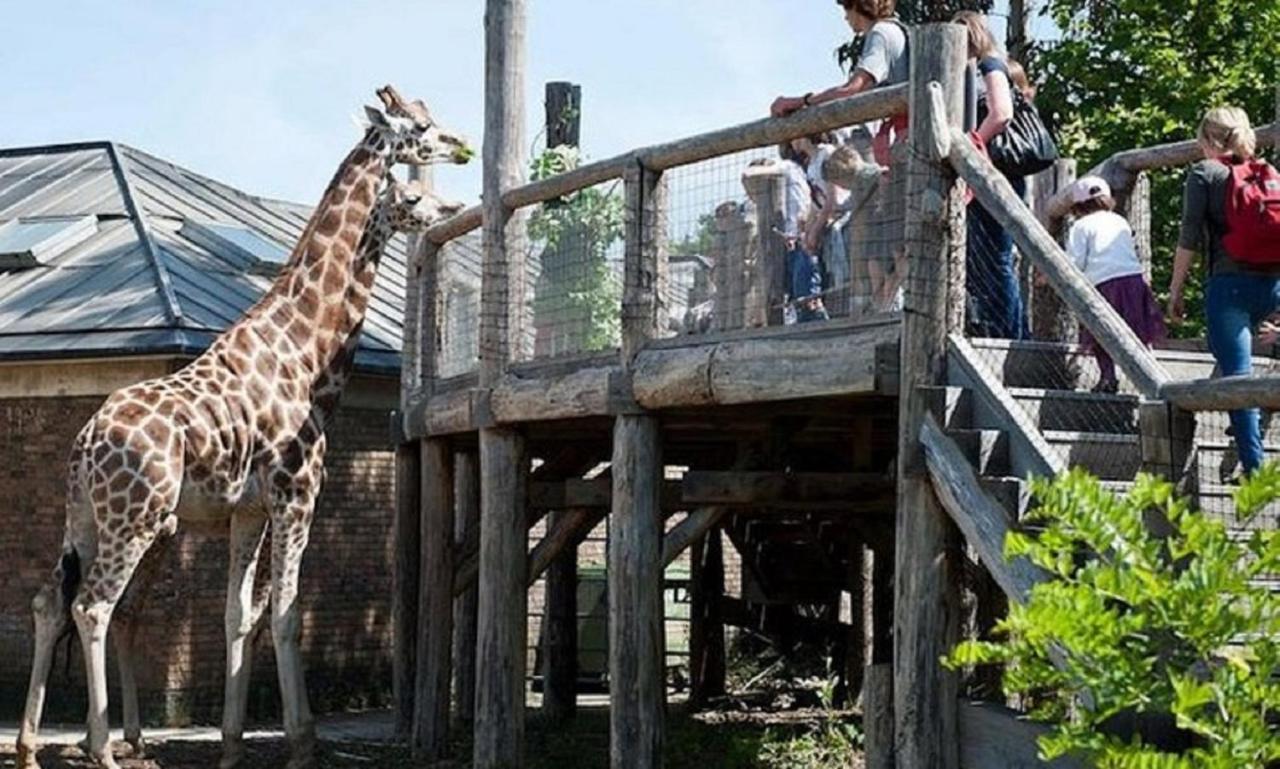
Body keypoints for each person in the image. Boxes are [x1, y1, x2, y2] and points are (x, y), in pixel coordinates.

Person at [1169, 106, 1280, 476]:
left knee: (1238, 380)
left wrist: (1175, 290)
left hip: (1230, 287)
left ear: (1206, 139)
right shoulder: (1269, 174)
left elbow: (1189, 238)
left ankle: (1255, 473)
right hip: (1274, 285)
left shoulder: (1205, 173)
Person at [954, 10, 1026, 340]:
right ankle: (1004, 331)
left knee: (996, 258)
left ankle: (1011, 336)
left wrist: (973, 144)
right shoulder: (976, 71)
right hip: (986, 172)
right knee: (984, 259)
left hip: (995, 174)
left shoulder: (989, 65)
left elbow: (1001, 113)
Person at [770, 0, 908, 165]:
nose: (845, 17)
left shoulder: (880, 33)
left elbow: (851, 89)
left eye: (847, 7)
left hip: (902, 141)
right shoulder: (897, 30)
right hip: (904, 138)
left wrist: (800, 101)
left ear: (859, 5)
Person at [1065, 176, 1166, 393]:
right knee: (1138, 330)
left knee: (1101, 332)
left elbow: (1075, 261)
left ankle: (1108, 377)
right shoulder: (1119, 221)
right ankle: (1152, 377)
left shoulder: (1080, 226)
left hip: (1102, 284)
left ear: (1078, 205)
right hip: (1132, 280)